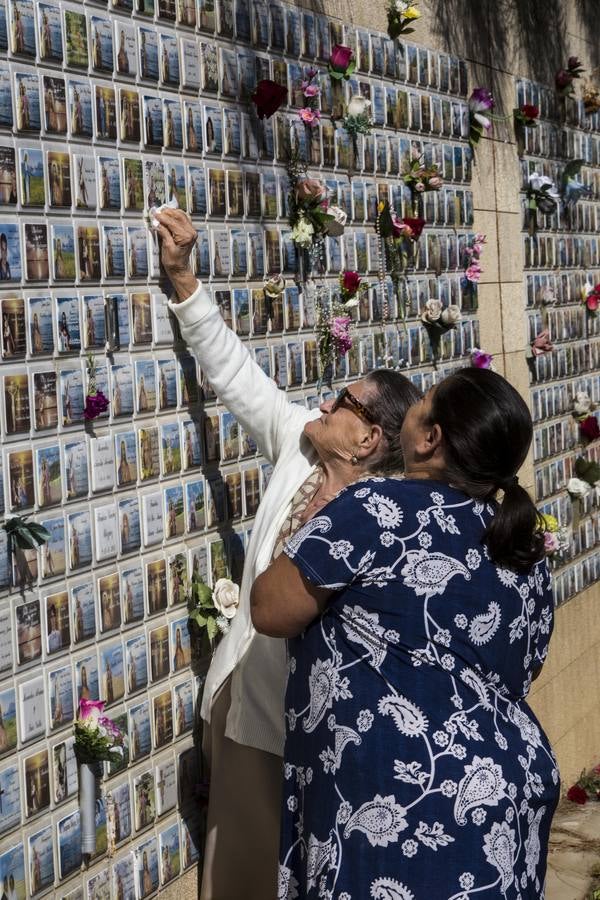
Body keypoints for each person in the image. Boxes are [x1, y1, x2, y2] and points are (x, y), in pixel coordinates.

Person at [157, 208, 422, 900]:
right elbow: (235, 372)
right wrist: (184, 277)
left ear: (368, 440)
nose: (325, 404)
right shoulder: (298, 448)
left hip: (330, 742)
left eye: (344, 401)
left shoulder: (385, 521)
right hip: (255, 717)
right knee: (242, 874)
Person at [252, 367, 560, 899]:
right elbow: (522, 670)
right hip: (507, 804)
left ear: (429, 437)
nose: (414, 407)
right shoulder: (521, 547)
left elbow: (269, 608)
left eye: (426, 402)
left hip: (397, 807)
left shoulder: (376, 508)